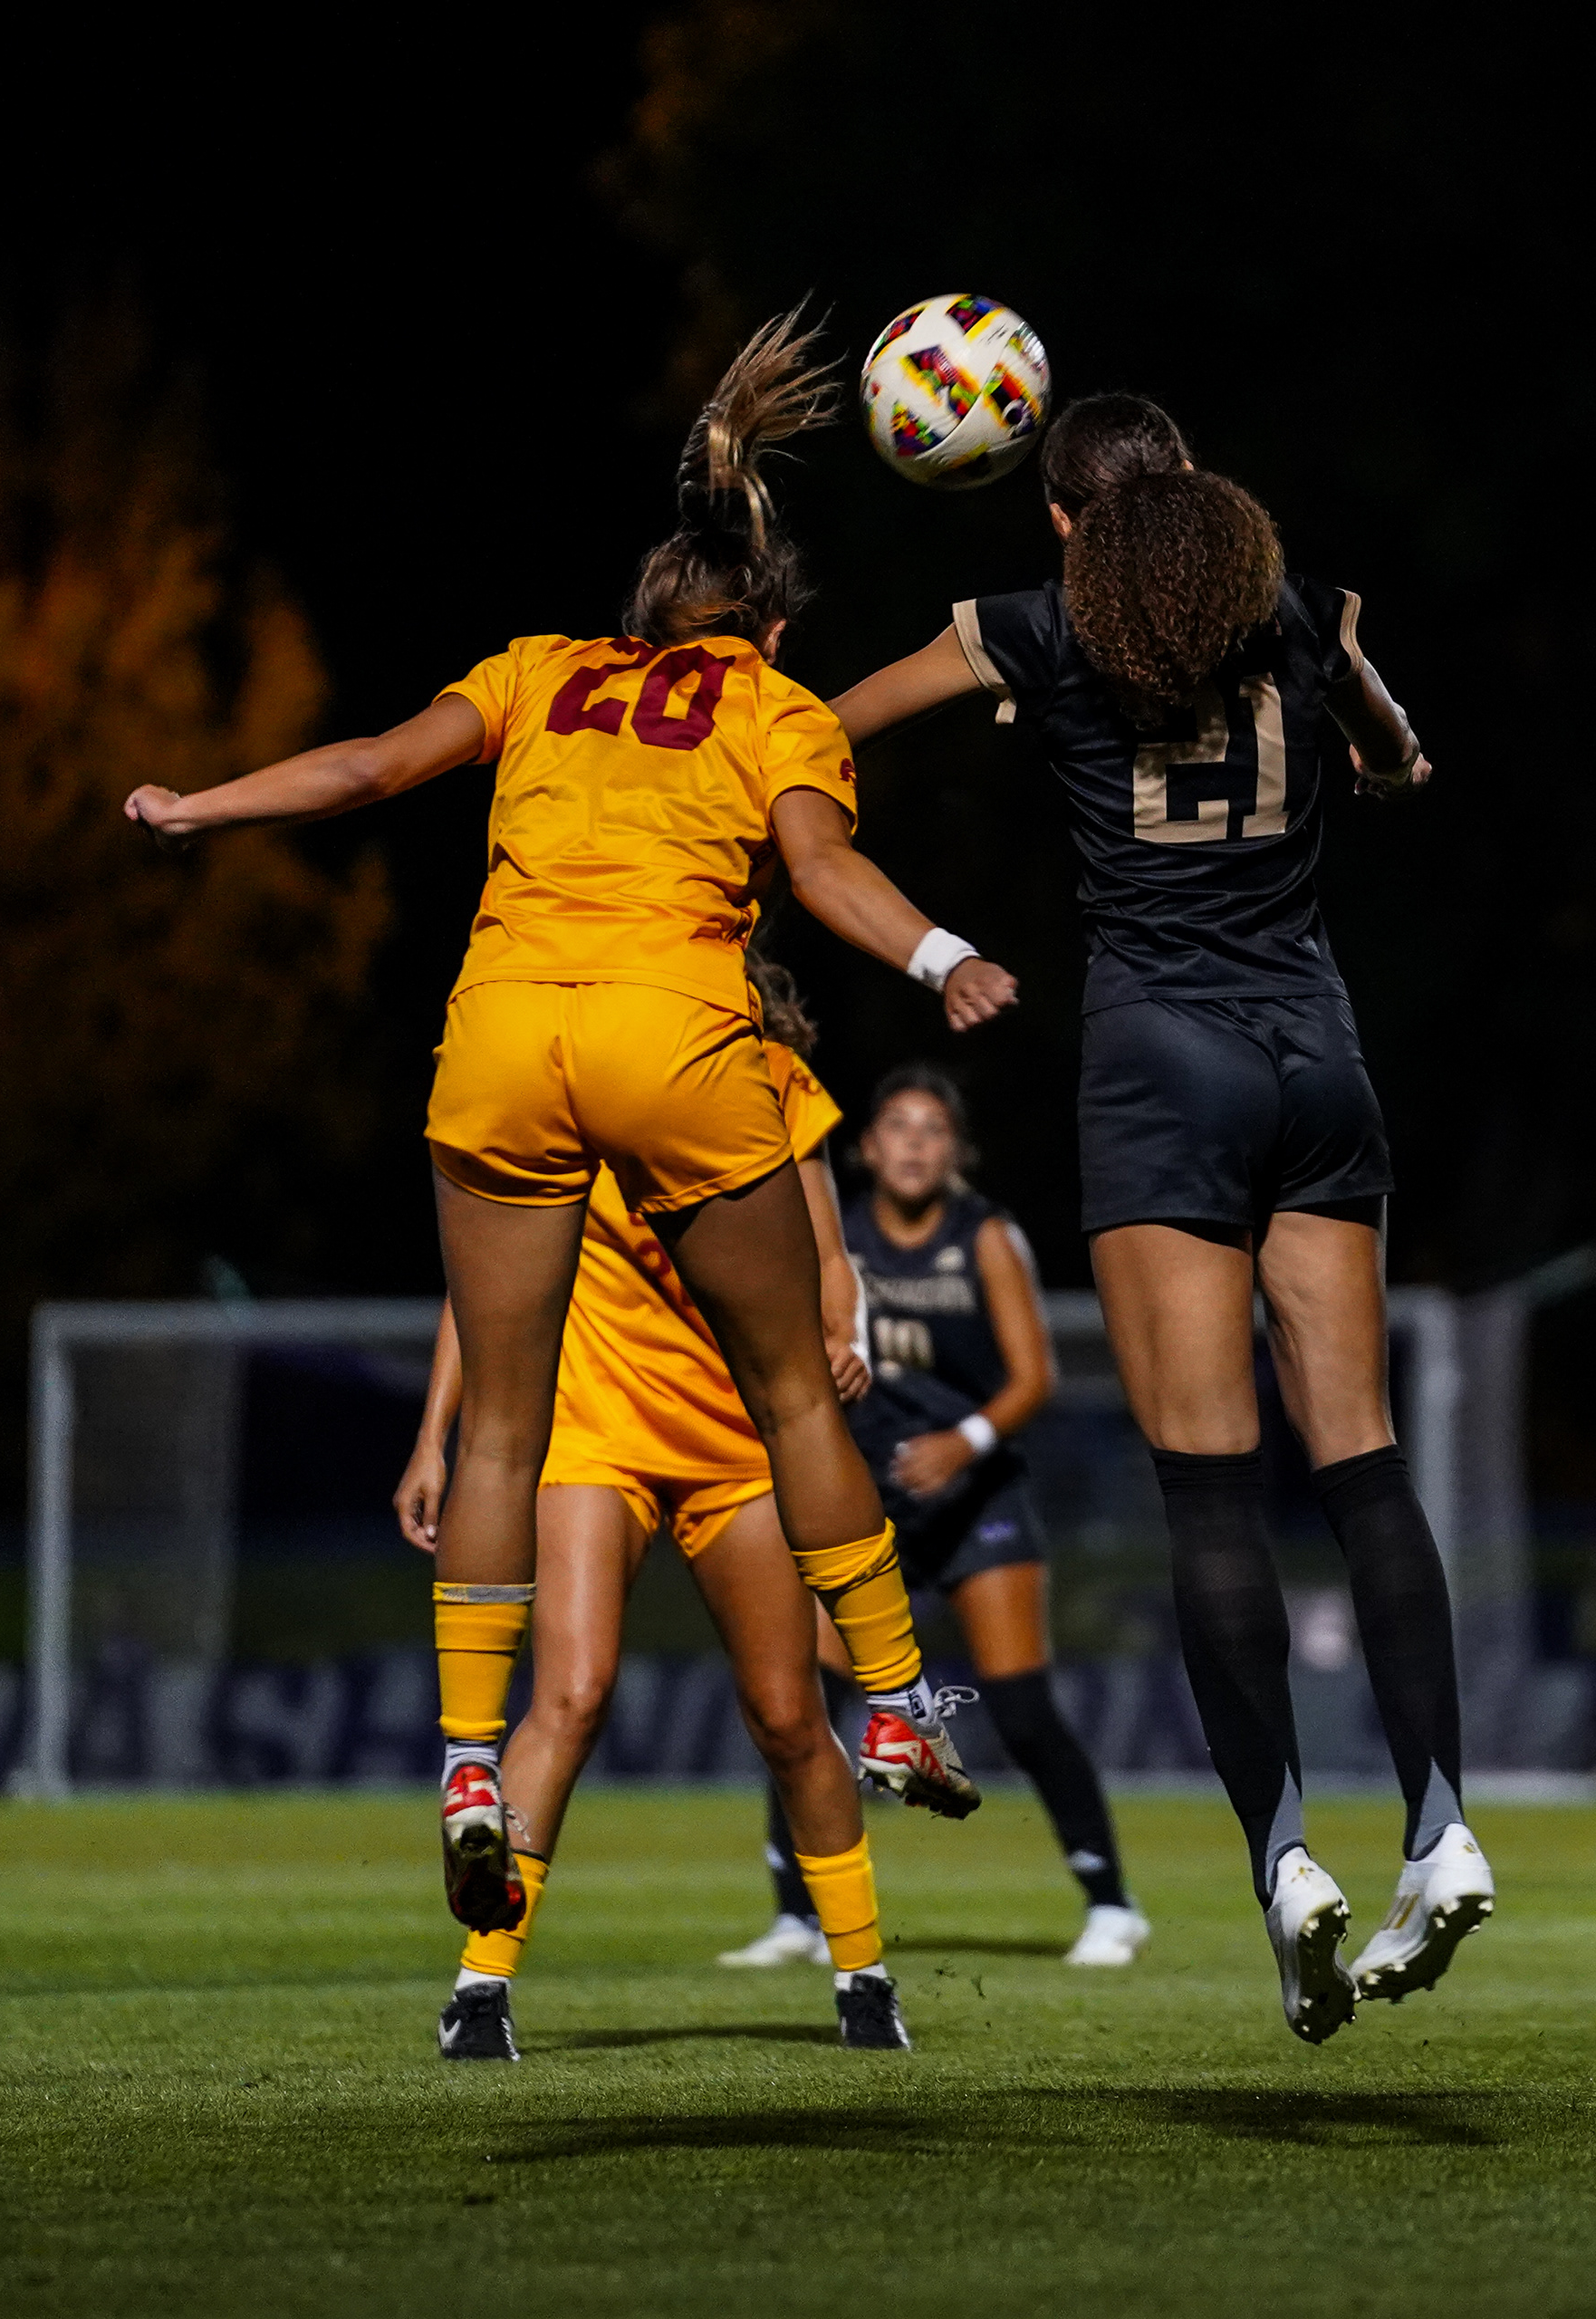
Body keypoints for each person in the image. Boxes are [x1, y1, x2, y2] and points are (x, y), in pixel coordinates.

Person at [122, 316, 1014, 1994]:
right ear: (764, 629)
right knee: (798, 1396)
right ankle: (898, 1702)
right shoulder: (778, 711)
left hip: (499, 1037)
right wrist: (940, 956)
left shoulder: (538, 671)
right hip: (670, 1036)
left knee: (502, 1428)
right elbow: (820, 874)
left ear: (636, 620)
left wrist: (198, 808)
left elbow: (370, 768)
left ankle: (471, 1763)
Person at [829, 392, 1475, 2045]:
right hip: (1317, 1053)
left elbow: (822, 732)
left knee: (1209, 1490)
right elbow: (1396, 753)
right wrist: (1373, 729)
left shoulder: (1039, 628)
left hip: (1161, 1065)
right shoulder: (1299, 607)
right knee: (1363, 1463)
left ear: (1058, 519)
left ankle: (1285, 1861)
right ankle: (1440, 1825)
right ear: (1193, 487)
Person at [396, 959, 916, 2056]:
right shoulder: (571, 1079)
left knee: (788, 1714)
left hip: (736, 1443)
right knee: (570, 1695)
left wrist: (840, 1341)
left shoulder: (769, 1083)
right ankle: (480, 1988)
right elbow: (484, 1296)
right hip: (597, 1430)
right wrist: (433, 1439)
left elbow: (830, 1259)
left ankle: (864, 1976)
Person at [721, 1064, 1149, 1972]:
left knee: (1023, 1709)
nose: (914, 1143)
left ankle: (1111, 1902)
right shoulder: (835, 1239)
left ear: (956, 1150)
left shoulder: (983, 1235)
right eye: (898, 1127)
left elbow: (1035, 1376)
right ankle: (798, 1915)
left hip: (975, 1497)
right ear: (866, 1148)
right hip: (865, 1501)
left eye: (932, 1129)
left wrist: (963, 1441)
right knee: (807, 1704)